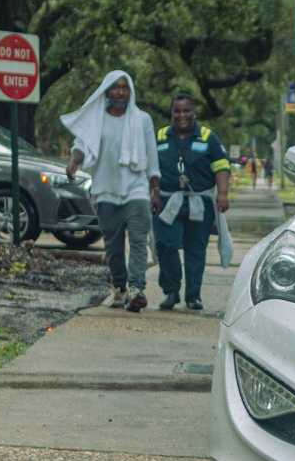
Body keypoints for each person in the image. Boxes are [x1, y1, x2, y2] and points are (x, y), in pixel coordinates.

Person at [62, 69, 159, 311]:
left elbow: (151, 154)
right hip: (105, 191)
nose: (120, 91)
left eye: (124, 87)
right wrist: (74, 161)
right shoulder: (96, 119)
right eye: (115, 87)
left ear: (130, 92)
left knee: (138, 241)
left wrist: (154, 188)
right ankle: (120, 287)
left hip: (136, 189)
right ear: (106, 91)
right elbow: (81, 146)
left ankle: (137, 289)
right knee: (113, 247)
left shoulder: (142, 119)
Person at [152, 90, 232, 311]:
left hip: (200, 202)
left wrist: (223, 194)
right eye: (177, 111)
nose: (181, 115)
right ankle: (171, 291)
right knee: (166, 245)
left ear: (194, 112)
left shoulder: (208, 137)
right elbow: (150, 169)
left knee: (195, 249)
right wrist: (154, 193)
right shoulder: (160, 137)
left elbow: (221, 166)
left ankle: (193, 295)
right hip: (167, 201)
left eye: (186, 110)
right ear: (171, 113)